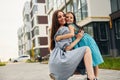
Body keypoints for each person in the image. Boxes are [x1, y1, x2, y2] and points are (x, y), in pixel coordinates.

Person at [49, 10, 96, 80]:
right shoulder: (64, 29)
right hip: (61, 60)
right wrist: (78, 38)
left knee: (81, 67)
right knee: (86, 49)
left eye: (63, 16)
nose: (63, 18)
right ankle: (91, 78)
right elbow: (67, 48)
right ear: (56, 20)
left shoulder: (58, 30)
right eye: (59, 17)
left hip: (54, 64)